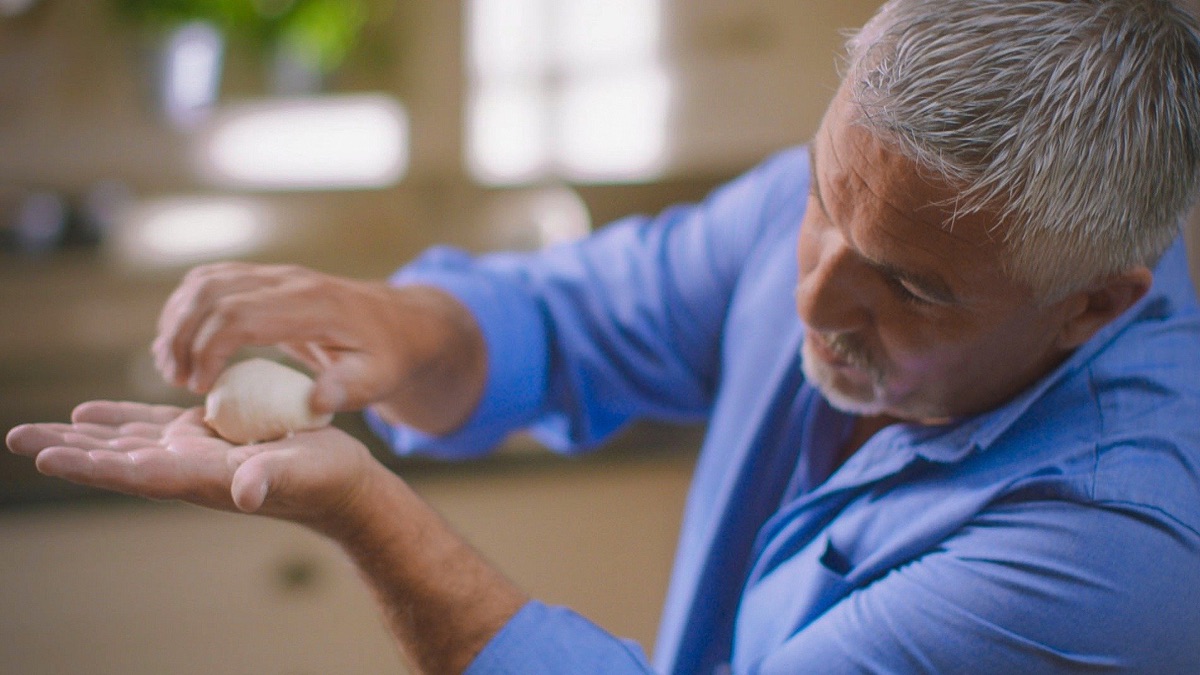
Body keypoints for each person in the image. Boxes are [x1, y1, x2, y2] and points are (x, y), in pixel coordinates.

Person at [9, 0, 1200, 672]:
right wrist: (405, 327)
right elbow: (587, 315)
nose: (817, 292)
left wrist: (365, 513)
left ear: (1094, 303)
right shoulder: (880, 204)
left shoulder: (1117, 556)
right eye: (820, 198)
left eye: (912, 290)